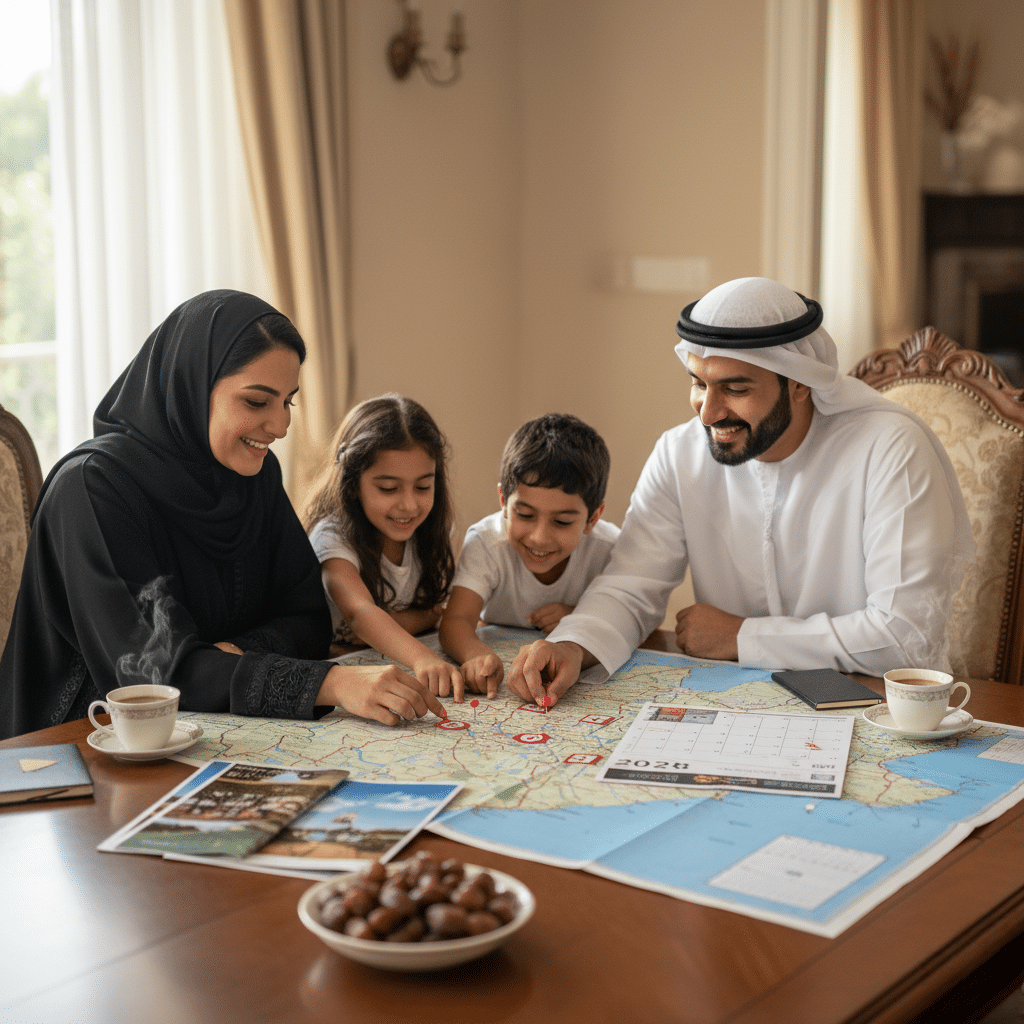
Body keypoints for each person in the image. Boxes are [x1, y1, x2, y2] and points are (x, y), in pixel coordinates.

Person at [506, 277, 974, 708]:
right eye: (699, 383)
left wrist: (741, 637)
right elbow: (631, 584)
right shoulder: (679, 452)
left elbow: (905, 637)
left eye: (734, 388)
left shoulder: (890, 449)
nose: (708, 413)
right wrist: (572, 645)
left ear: (798, 383)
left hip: (874, 710)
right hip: (734, 705)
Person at [0, 290, 445, 739]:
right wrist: (329, 683)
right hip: (82, 743)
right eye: (257, 402)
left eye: (288, 401)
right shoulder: (92, 490)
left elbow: (309, 620)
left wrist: (231, 656)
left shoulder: (253, 476)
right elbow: (156, 677)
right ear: (192, 386)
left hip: (215, 730)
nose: (281, 426)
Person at [439, 413, 619, 697]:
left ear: (592, 518)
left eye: (561, 521)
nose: (539, 537)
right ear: (503, 501)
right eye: (524, 514)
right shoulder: (486, 542)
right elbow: (456, 620)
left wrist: (579, 617)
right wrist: (474, 654)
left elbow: (634, 617)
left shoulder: (609, 548)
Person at [302, 394, 464, 699]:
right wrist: (423, 657)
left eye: (423, 486)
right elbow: (359, 612)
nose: (409, 505)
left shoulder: (430, 530)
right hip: (341, 679)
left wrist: (407, 621)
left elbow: (437, 611)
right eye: (388, 488)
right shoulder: (332, 536)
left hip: (384, 665)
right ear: (352, 483)